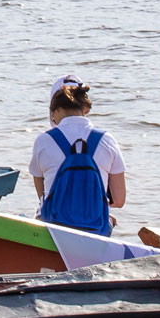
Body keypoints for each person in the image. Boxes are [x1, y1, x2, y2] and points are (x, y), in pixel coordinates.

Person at [29, 76, 126, 236]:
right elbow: (119, 200)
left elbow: (43, 197)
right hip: (95, 230)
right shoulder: (107, 140)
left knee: (38, 213)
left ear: (55, 111)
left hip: (55, 228)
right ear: (85, 109)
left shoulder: (43, 140)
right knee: (108, 218)